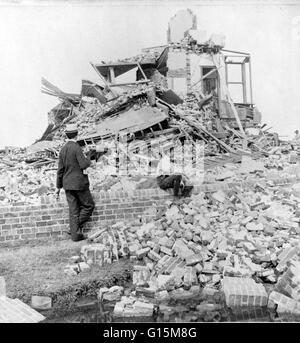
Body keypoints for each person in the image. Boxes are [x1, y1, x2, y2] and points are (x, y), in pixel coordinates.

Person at [56, 124, 95, 242]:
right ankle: (74, 229)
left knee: (73, 210)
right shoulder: (76, 147)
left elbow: (60, 170)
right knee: (89, 206)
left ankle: (75, 235)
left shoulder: (63, 150)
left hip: (67, 184)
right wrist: (89, 157)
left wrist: (58, 187)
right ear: (77, 135)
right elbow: (83, 165)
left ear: (66, 135)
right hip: (79, 183)